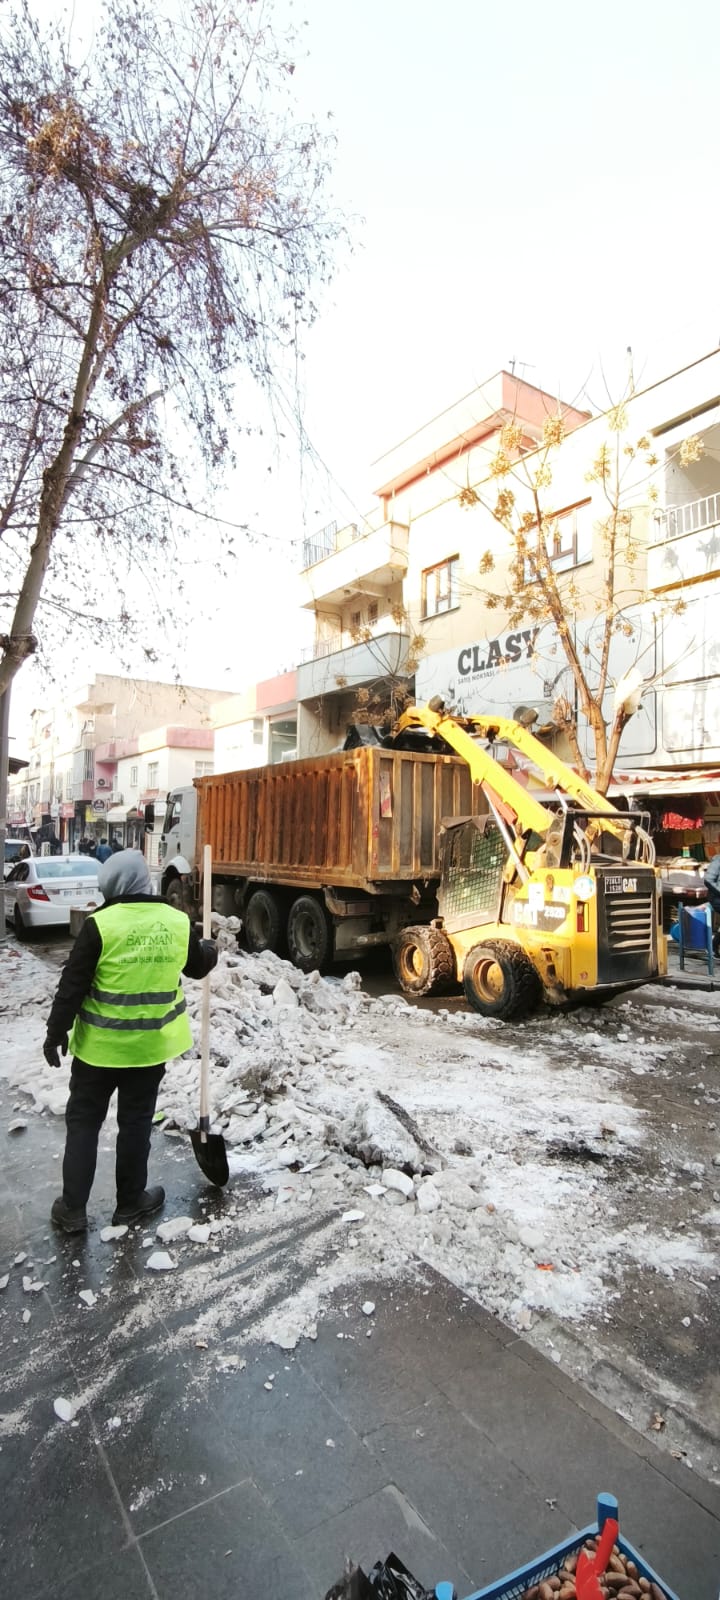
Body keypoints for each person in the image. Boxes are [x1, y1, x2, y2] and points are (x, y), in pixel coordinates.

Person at [43, 849, 217, 1234]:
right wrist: (210, 951)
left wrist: (56, 1033)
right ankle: (130, 1203)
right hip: (147, 1050)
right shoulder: (176, 921)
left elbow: (72, 984)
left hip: (98, 1052)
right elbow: (197, 967)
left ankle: (73, 1209)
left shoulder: (100, 925)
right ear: (143, 881)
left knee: (84, 1124)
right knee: (136, 1124)